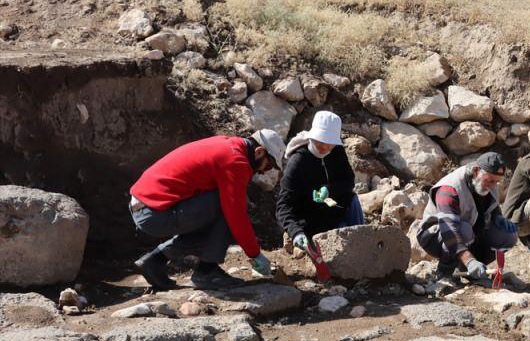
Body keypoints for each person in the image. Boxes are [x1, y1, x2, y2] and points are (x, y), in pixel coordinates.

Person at [130, 129, 285, 290]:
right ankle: (207, 271)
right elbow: (236, 215)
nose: (263, 171)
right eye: (269, 165)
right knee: (228, 209)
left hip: (146, 206)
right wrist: (255, 254)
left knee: (222, 213)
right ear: (259, 152)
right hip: (153, 212)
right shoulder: (236, 161)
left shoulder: (228, 145)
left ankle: (155, 260)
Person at [417, 152, 519, 291]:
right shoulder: (449, 189)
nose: (493, 185)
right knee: (463, 230)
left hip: (470, 233)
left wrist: (498, 217)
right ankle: (445, 272)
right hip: (436, 236)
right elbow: (450, 231)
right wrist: (469, 260)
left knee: (507, 235)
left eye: (496, 182)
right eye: (490, 181)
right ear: (476, 170)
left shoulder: (488, 180)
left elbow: (490, 207)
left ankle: (475, 271)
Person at [277, 111, 364, 252]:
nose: (324, 147)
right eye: (320, 141)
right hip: (310, 220)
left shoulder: (336, 151)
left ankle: (362, 244)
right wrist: (296, 232)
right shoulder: (298, 162)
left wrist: (329, 190)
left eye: (329, 143)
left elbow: (348, 182)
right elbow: (283, 205)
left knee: (352, 200)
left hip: (335, 212)